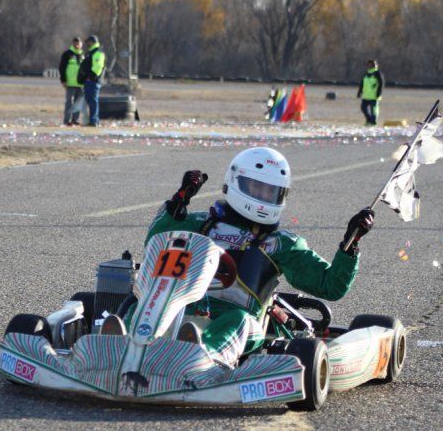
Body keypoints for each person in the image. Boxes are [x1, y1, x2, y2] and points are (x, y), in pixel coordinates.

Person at [102, 147, 374, 365]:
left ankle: (201, 357)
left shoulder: (280, 243)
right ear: (235, 182)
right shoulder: (200, 223)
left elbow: (329, 285)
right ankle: (119, 349)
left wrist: (350, 245)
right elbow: (156, 241)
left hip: (239, 320)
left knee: (239, 322)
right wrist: (179, 201)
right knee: (142, 306)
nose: (262, 197)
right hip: (180, 306)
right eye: (256, 188)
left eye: (270, 192)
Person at [77, 35, 106, 126]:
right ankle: (92, 120)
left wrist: (91, 77)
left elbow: (98, 67)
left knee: (93, 101)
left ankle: (94, 121)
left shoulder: (98, 53)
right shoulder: (91, 53)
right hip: (88, 81)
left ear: (93, 42)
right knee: (90, 101)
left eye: (89, 42)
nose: (87, 44)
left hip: (93, 81)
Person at [59, 37, 84, 125]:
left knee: (78, 102)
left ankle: (75, 119)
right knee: (69, 102)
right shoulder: (67, 54)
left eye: (79, 43)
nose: (77, 45)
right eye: (75, 43)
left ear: (81, 44)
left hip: (80, 84)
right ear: (73, 44)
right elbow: (62, 67)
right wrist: (63, 80)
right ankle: (67, 120)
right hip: (70, 83)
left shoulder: (83, 55)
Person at [357, 59, 384, 126]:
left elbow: (381, 84)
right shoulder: (366, 74)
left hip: (374, 96)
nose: (371, 66)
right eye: (369, 64)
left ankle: (373, 122)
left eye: (373, 64)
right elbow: (362, 83)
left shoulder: (377, 73)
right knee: (363, 108)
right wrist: (359, 92)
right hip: (366, 95)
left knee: (374, 110)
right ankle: (368, 120)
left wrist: (379, 93)